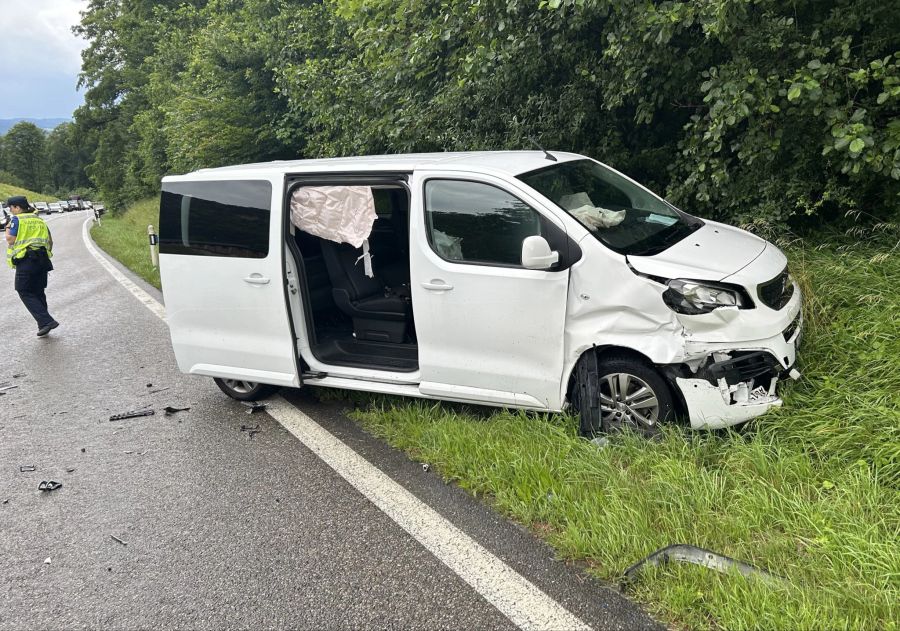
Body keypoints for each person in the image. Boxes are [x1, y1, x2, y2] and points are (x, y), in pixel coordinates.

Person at [5, 196, 59, 336]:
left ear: (17, 207)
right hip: (42, 260)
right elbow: (50, 241)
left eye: (11, 208)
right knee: (38, 291)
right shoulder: (39, 219)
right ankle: (43, 324)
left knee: (23, 290)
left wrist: (7, 228)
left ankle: (47, 321)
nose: (10, 211)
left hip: (27, 261)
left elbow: (10, 239)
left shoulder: (17, 220)